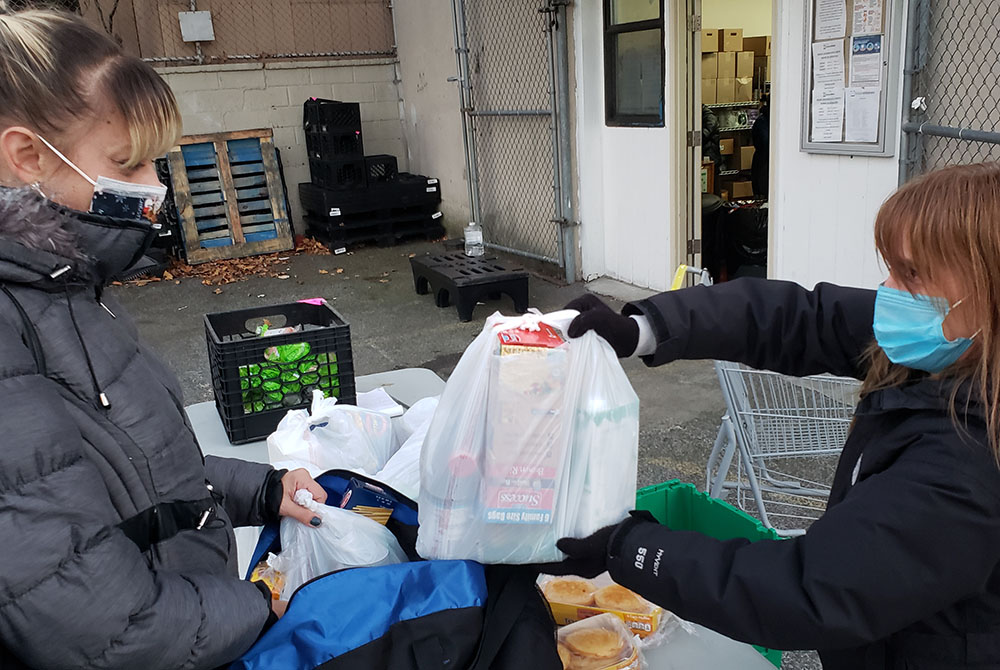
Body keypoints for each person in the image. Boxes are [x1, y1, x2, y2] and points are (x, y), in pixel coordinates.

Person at [554, 163, 1000, 669]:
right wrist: (645, 329)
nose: (887, 288)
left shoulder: (969, 467)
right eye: (891, 267)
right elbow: (795, 316)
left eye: (911, 273)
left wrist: (633, 548)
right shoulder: (948, 344)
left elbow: (811, 589)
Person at [0, 9, 329, 669]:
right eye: (128, 163)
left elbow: (130, 473)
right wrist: (257, 605)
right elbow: (101, 629)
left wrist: (261, 490)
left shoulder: (69, 290)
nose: (153, 189)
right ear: (29, 156)